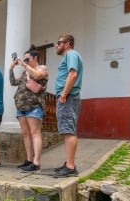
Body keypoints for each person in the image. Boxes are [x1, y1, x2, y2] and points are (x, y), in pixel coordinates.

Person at [9, 45, 48, 173]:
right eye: (24, 60)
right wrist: (11, 68)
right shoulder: (24, 72)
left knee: (35, 133)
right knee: (26, 134)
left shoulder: (42, 68)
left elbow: (37, 76)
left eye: (27, 59)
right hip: (21, 106)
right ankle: (29, 160)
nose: (24, 62)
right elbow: (13, 82)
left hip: (34, 106)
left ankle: (36, 163)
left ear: (35, 58)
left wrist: (25, 65)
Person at [53, 34, 83, 178]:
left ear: (67, 44)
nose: (56, 45)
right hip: (69, 96)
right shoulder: (71, 55)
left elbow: (73, 75)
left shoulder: (71, 54)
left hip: (68, 97)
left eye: (58, 43)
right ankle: (68, 163)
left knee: (68, 129)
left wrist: (64, 94)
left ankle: (70, 166)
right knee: (67, 129)